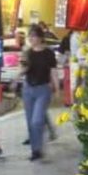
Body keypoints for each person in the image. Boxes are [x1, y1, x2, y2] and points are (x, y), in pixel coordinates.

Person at [22, 24, 59, 161]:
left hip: (43, 89)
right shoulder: (27, 52)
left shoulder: (48, 53)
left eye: (33, 36)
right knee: (30, 122)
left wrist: (57, 88)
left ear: (40, 37)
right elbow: (23, 68)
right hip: (28, 89)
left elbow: (53, 71)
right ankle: (36, 150)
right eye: (29, 36)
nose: (31, 39)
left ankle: (38, 146)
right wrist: (19, 74)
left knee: (37, 120)